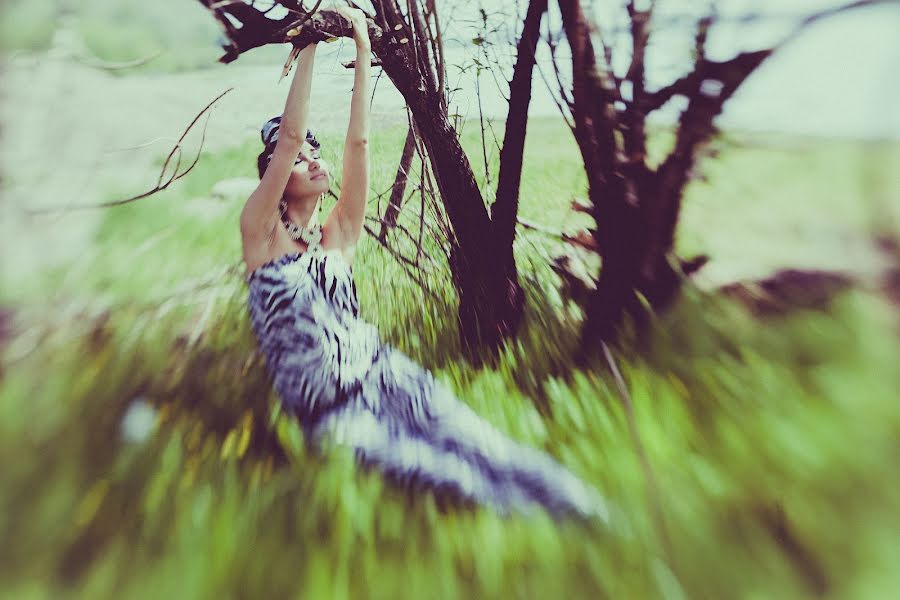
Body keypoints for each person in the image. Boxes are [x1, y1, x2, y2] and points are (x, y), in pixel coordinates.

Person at [240, 6, 605, 519]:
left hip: (387, 376)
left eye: (314, 153)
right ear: (274, 178)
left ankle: (594, 516)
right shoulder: (260, 234)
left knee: (488, 448)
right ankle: (554, 531)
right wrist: (310, 42)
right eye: (300, 159)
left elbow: (359, 144)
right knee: (454, 480)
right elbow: (289, 144)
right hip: (333, 413)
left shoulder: (337, 233)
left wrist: (365, 50)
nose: (312, 159)